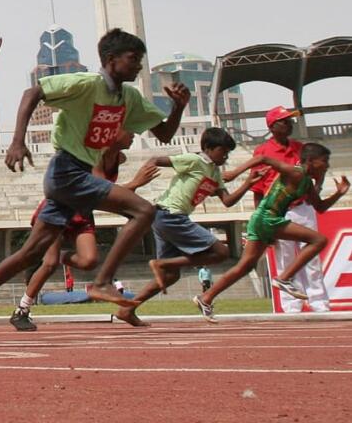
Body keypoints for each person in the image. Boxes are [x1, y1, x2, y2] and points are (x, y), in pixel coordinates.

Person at [0, 28, 191, 335]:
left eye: (140, 61)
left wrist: (177, 108)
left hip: (76, 177)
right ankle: (102, 282)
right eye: (133, 59)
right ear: (110, 60)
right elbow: (33, 93)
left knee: (31, 253)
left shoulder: (129, 98)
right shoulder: (86, 84)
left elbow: (163, 134)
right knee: (144, 211)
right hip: (68, 170)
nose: (138, 66)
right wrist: (17, 142)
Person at [113, 128, 261, 327]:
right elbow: (156, 160)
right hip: (170, 215)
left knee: (171, 276)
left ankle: (127, 309)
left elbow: (227, 201)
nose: (225, 157)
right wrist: (135, 184)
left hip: (166, 218)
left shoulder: (215, 173)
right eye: (222, 151)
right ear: (208, 148)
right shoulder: (194, 160)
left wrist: (248, 184)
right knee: (221, 252)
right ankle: (162, 264)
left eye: (228, 153)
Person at [10, 143, 159, 332]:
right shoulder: (94, 157)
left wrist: (132, 188)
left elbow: (105, 193)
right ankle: (22, 310)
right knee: (49, 264)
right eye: (127, 131)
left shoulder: (119, 158)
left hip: (82, 214)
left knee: (89, 261)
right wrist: (135, 183)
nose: (131, 136)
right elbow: (99, 193)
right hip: (58, 209)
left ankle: (58, 255)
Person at [195, 143, 348, 321]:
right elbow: (263, 158)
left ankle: (205, 298)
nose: (328, 165)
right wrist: (234, 173)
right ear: (311, 161)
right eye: (324, 161)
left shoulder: (305, 182)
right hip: (267, 218)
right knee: (318, 240)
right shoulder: (294, 172)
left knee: (244, 267)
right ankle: (284, 278)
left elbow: (320, 207)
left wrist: (339, 193)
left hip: (263, 221)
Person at [251, 107, 331, 312]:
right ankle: (291, 305)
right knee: (285, 258)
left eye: (290, 121)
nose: (289, 124)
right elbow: (258, 189)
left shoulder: (300, 148)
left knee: (312, 257)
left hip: (303, 206)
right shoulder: (263, 151)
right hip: (278, 211)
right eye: (284, 121)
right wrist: (261, 223)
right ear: (272, 126)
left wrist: (318, 187)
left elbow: (318, 171)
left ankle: (319, 302)